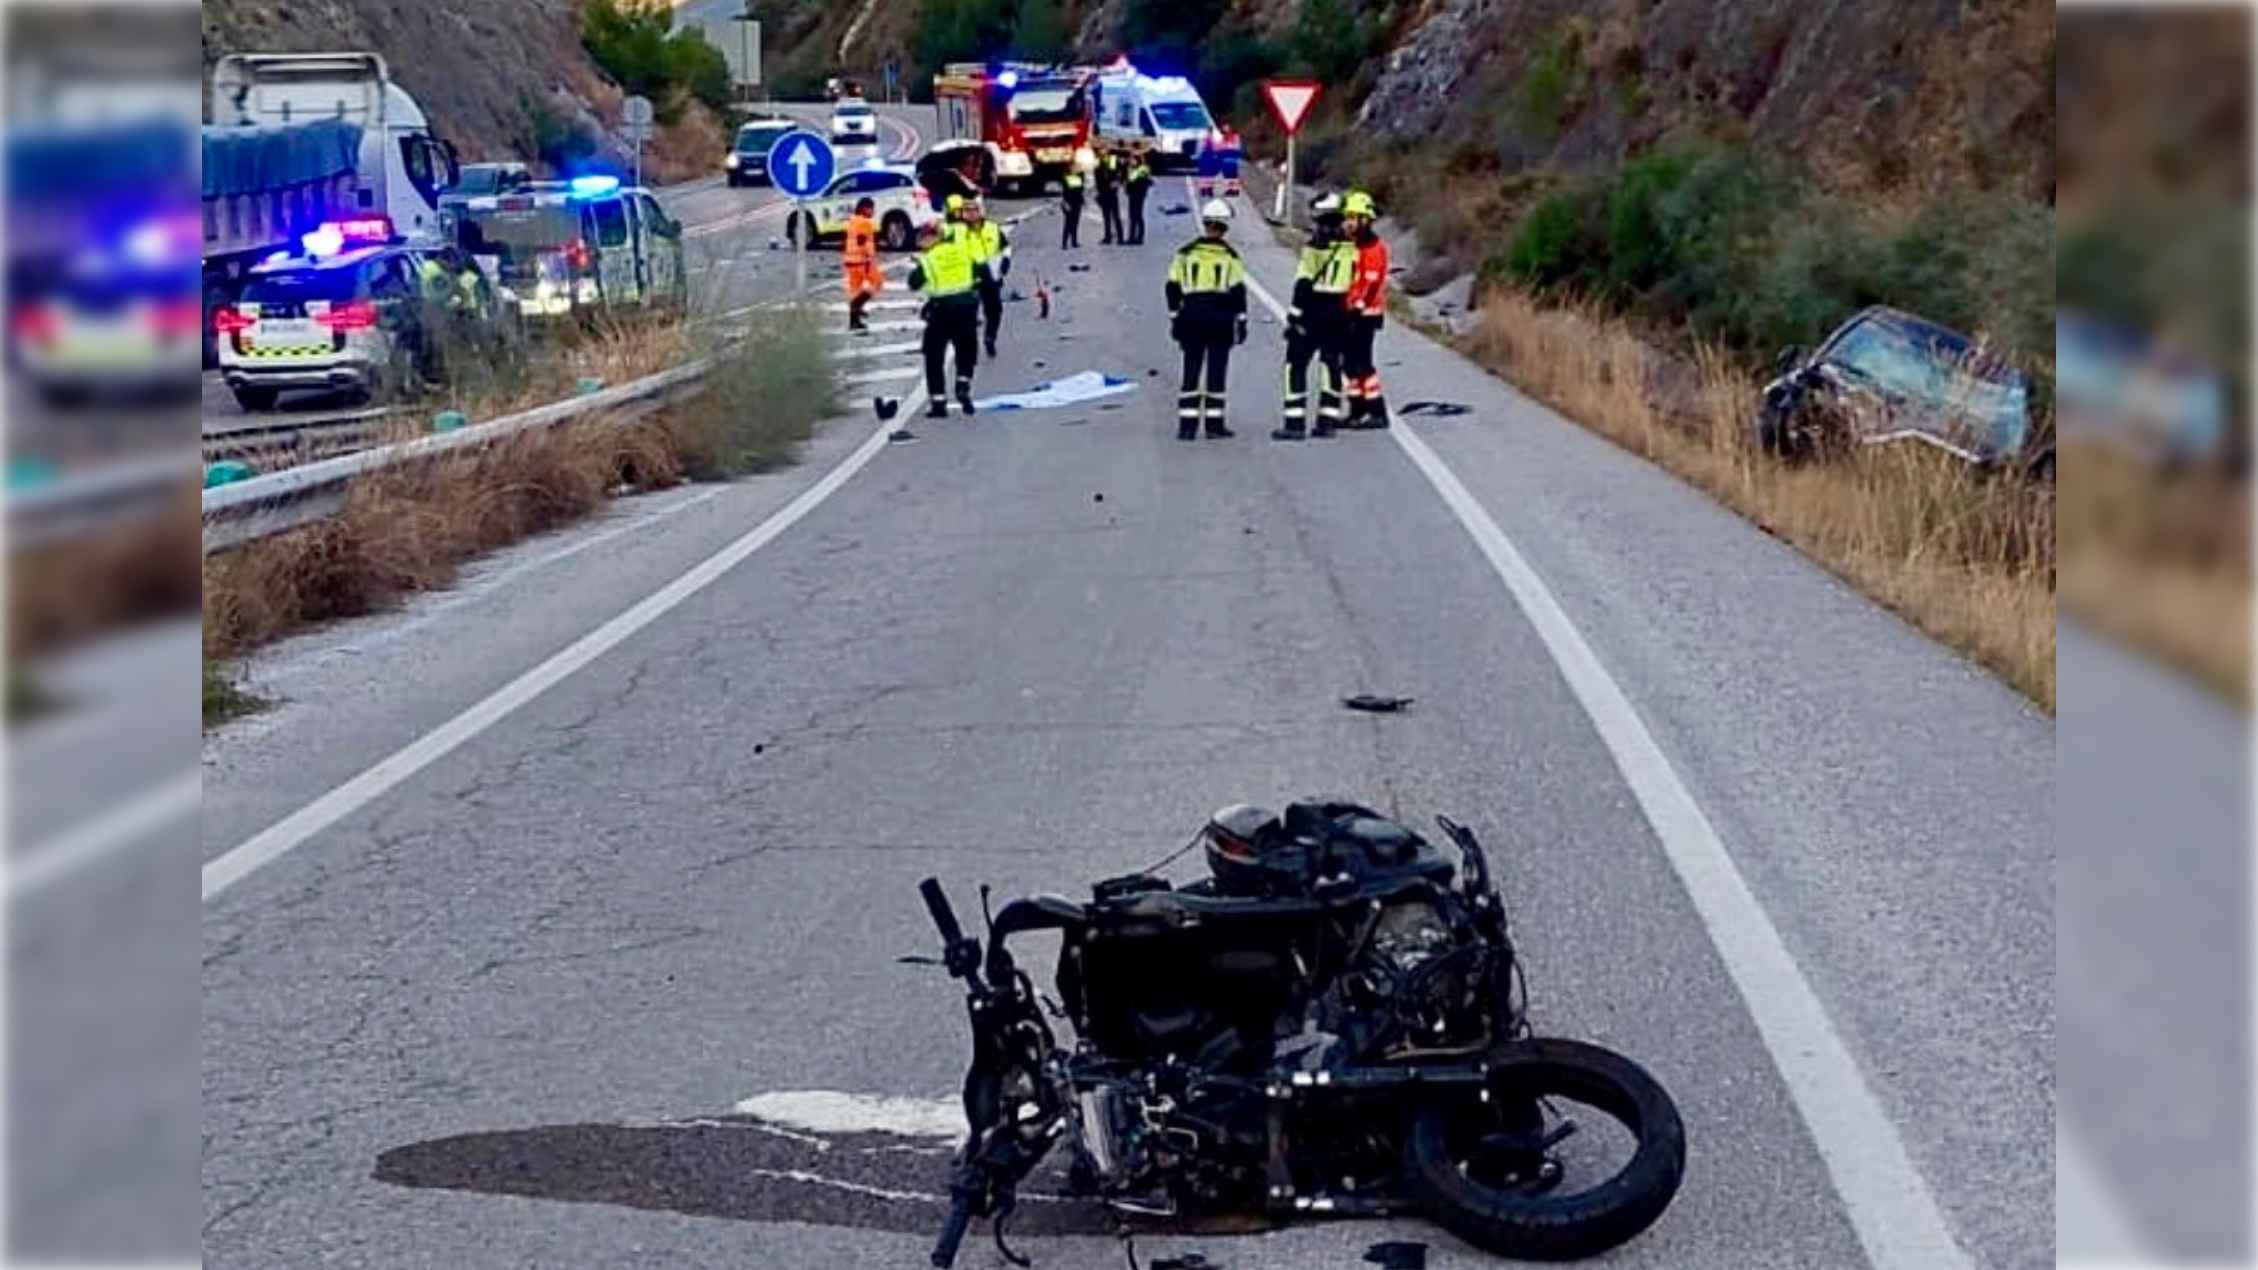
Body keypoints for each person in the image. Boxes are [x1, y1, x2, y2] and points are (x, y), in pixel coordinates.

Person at [1274, 192, 1356, 441]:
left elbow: (1303, 285)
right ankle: (1327, 421)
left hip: (1312, 310)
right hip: (1339, 311)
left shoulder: (1314, 249)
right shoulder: (1351, 249)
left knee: (1295, 366)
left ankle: (1294, 423)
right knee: (1331, 365)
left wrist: (1294, 318)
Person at [1164, 200, 1248, 441]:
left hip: (1191, 314)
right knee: (1216, 371)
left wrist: (1174, 317)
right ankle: (1214, 425)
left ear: (1205, 223)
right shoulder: (1231, 256)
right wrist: (1241, 321)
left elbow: (1172, 287)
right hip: (1220, 316)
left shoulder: (1185, 253)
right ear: (1225, 228)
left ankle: (1187, 427)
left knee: (1191, 369)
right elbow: (1237, 292)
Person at [908, 217, 987, 418]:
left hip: (941, 310)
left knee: (934, 355)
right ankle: (963, 382)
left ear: (933, 238)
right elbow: (980, 274)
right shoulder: (963, 251)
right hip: (966, 307)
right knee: (966, 348)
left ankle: (938, 402)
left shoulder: (930, 259)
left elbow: (914, 283)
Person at [1339, 190, 1391, 428]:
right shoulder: (1353, 245)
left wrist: (1357, 308)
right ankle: (1357, 409)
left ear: (1365, 220)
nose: (1348, 222)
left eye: (1353, 217)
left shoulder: (1373, 248)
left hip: (1365, 315)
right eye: (1347, 217)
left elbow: (1370, 283)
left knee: (1362, 362)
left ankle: (1377, 411)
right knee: (1348, 363)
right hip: (1350, 311)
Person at [958, 196, 1010, 358]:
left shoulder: (993, 228)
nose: (972, 214)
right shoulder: (957, 232)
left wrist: (1005, 263)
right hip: (968, 279)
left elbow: (1005, 247)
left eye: (975, 210)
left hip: (991, 276)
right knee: (968, 316)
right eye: (968, 210)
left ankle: (990, 338)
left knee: (994, 311)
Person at [842, 197, 882, 333]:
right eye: (871, 208)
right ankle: (857, 306)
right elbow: (862, 241)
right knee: (877, 282)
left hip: (850, 260)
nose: (873, 211)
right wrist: (868, 258)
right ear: (864, 208)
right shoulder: (865, 222)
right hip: (861, 260)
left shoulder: (853, 220)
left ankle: (854, 320)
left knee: (856, 290)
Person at [1094, 147, 1124, 245]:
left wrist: (1119, 182)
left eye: (1103, 150)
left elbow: (1123, 171)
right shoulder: (1098, 162)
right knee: (1106, 216)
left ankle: (1120, 237)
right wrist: (1097, 192)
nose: (1101, 152)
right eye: (1100, 151)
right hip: (1103, 192)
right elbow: (1097, 177)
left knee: (1116, 215)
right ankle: (1108, 237)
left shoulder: (1113, 160)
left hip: (1112, 192)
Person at [1125, 147, 1154, 245]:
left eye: (1132, 159)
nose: (1130, 161)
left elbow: (1133, 180)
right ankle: (1133, 237)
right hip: (1133, 194)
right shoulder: (1136, 169)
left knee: (1137, 215)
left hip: (1138, 194)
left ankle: (1137, 237)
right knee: (1133, 216)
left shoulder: (1141, 169)